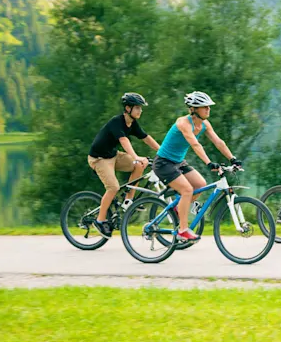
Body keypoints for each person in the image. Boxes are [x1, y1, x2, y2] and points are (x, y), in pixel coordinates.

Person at [153, 90, 240, 243]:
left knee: (200, 184)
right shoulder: (183, 123)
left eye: (208, 106)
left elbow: (218, 142)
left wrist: (232, 158)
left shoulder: (205, 124)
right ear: (194, 109)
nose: (208, 109)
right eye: (204, 107)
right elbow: (195, 144)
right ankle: (182, 231)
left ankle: (179, 208)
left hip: (178, 162)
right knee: (187, 190)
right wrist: (208, 163)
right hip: (163, 163)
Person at [87, 92, 160, 237]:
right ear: (127, 108)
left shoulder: (132, 123)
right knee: (113, 187)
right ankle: (100, 220)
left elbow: (146, 138)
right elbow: (124, 141)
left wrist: (163, 151)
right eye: (137, 108)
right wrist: (136, 156)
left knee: (139, 166)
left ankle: (128, 200)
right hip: (99, 159)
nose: (140, 111)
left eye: (141, 108)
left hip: (113, 156)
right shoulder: (117, 122)